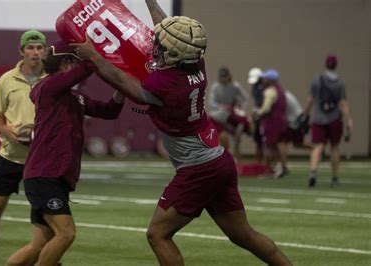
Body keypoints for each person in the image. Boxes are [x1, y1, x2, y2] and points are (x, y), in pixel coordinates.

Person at [71, 1, 291, 265]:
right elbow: (169, 32)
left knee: (158, 234)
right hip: (218, 160)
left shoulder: (165, 83)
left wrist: (94, 56)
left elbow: (124, 83)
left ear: (174, 54)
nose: (156, 46)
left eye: (161, 47)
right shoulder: (197, 63)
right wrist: (151, 1)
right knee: (244, 235)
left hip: (198, 168)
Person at [6, 41, 125, 266]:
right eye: (74, 61)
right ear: (66, 62)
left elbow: (109, 111)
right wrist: (98, 55)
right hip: (45, 175)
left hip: (52, 175)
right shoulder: (47, 87)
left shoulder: (73, 97)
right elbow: (85, 69)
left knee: (40, 244)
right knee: (66, 233)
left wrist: (122, 89)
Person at [0, 30, 47, 266]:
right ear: (22, 51)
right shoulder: (7, 79)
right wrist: (6, 130)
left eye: (39, 47)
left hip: (41, 159)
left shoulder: (51, 78)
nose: (35, 52)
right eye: (31, 47)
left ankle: (50, 259)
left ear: (45, 51)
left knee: (47, 218)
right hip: (10, 155)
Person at [303, 55, 352, 187]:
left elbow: (310, 100)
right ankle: (335, 178)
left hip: (318, 118)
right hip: (334, 118)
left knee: (317, 146)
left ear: (326, 65)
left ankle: (313, 172)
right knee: (335, 147)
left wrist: (305, 115)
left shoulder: (317, 80)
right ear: (336, 65)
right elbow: (343, 103)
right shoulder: (340, 83)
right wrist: (348, 120)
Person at [207, 67, 250, 161]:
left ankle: (237, 157)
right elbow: (211, 103)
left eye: (224, 77)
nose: (223, 79)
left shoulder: (235, 86)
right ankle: (223, 158)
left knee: (238, 134)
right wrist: (221, 107)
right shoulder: (215, 87)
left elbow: (245, 98)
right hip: (218, 116)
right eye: (221, 77)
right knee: (222, 138)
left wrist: (240, 108)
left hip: (230, 115)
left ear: (229, 77)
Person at [252, 69, 287, 177]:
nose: (263, 80)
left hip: (271, 122)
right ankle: (283, 168)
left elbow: (266, 109)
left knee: (268, 146)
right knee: (275, 146)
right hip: (281, 121)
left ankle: (267, 170)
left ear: (270, 80)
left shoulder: (270, 91)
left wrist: (257, 113)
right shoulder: (281, 90)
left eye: (265, 78)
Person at [278, 90, 312, 177]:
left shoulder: (282, 96)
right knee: (297, 144)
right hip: (296, 120)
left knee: (282, 142)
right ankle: (316, 149)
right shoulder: (286, 94)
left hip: (295, 121)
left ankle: (284, 167)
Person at [248, 67, 265, 163]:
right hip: (258, 116)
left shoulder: (264, 87)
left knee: (265, 142)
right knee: (258, 141)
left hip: (264, 117)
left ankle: (266, 162)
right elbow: (256, 103)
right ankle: (259, 161)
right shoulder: (254, 88)